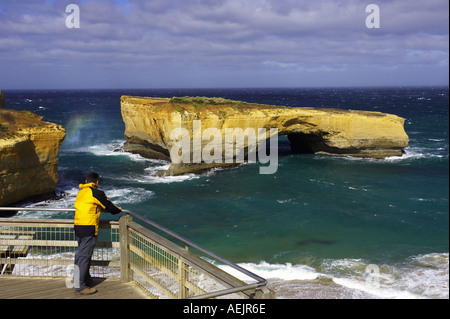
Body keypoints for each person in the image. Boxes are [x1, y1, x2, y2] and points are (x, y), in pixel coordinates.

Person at [73, 172, 122, 295]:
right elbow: (110, 207)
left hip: (78, 226)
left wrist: (100, 208)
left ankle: (85, 279)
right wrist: (119, 210)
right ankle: (80, 286)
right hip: (88, 227)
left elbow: (92, 206)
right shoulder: (96, 193)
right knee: (83, 256)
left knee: (82, 255)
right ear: (97, 182)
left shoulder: (81, 192)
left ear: (86, 181)